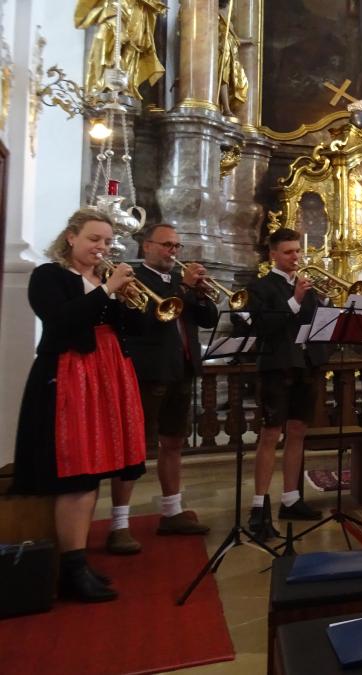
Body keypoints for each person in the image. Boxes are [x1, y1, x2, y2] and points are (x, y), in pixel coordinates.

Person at [12, 208, 147, 602]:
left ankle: (78, 561)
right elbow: (60, 320)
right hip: (69, 377)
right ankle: (71, 566)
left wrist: (125, 300)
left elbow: (135, 330)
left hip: (107, 376)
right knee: (77, 472)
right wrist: (106, 291)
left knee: (95, 471)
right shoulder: (48, 276)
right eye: (94, 239)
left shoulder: (103, 279)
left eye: (106, 241)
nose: (101, 248)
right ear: (71, 237)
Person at [107, 223, 215, 555]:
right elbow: (147, 322)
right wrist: (184, 288)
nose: (173, 251)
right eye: (167, 245)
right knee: (134, 447)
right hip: (148, 372)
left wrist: (198, 292)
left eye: (177, 246)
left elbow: (208, 319)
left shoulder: (178, 284)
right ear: (147, 247)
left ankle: (172, 512)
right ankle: (119, 524)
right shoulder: (135, 278)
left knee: (173, 442)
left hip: (181, 370)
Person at [244, 228, 329, 540]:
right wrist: (294, 301)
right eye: (289, 252)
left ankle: (291, 498)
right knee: (270, 434)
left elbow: (317, 323)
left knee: (297, 432)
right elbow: (263, 326)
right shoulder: (261, 287)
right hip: (277, 367)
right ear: (273, 255)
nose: (296, 257)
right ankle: (258, 505)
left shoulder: (308, 287)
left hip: (305, 366)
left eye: (297, 251)